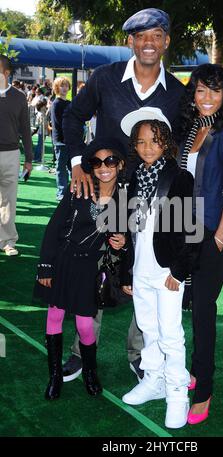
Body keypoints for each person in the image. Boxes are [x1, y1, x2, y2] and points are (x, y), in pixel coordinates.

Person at [62, 8, 185, 383]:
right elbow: (71, 117)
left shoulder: (178, 93)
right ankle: (81, 350)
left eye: (157, 35)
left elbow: (181, 145)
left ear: (165, 41)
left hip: (152, 198)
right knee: (92, 267)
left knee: (146, 271)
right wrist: (78, 163)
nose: (149, 42)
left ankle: (141, 354)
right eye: (141, 36)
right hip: (106, 191)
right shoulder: (105, 78)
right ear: (130, 41)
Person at [179, 64, 223, 424]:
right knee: (187, 303)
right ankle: (192, 370)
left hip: (213, 233)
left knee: (204, 309)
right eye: (200, 90)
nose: (206, 99)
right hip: (184, 227)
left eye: (214, 91)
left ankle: (204, 388)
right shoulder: (193, 129)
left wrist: (221, 234)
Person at [120, 107, 195, 429]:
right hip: (140, 268)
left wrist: (179, 272)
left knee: (170, 334)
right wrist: (126, 273)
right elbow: (124, 229)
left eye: (154, 141)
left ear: (165, 142)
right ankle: (154, 380)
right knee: (148, 328)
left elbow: (190, 230)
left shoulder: (180, 178)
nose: (147, 148)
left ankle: (178, 393)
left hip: (166, 272)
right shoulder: (133, 178)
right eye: (140, 142)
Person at [35, 139, 126, 400]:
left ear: (119, 164)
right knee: (54, 316)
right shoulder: (80, 188)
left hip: (89, 268)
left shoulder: (126, 199)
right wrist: (45, 266)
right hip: (63, 262)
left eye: (109, 161)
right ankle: (54, 377)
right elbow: (54, 228)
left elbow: (129, 236)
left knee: (86, 325)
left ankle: (90, 372)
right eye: (96, 162)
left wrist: (123, 242)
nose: (103, 167)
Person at [0, 54, 33, 257]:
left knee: (9, 200)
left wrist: (29, 159)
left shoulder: (19, 97)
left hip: (12, 154)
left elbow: (26, 130)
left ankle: (8, 241)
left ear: (6, 73)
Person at [50, 77, 71, 201]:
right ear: (57, 88)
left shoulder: (69, 103)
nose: (64, 88)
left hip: (71, 141)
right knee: (61, 168)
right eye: (61, 85)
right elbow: (59, 123)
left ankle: (72, 191)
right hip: (61, 141)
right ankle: (61, 193)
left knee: (72, 168)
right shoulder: (56, 103)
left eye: (66, 85)